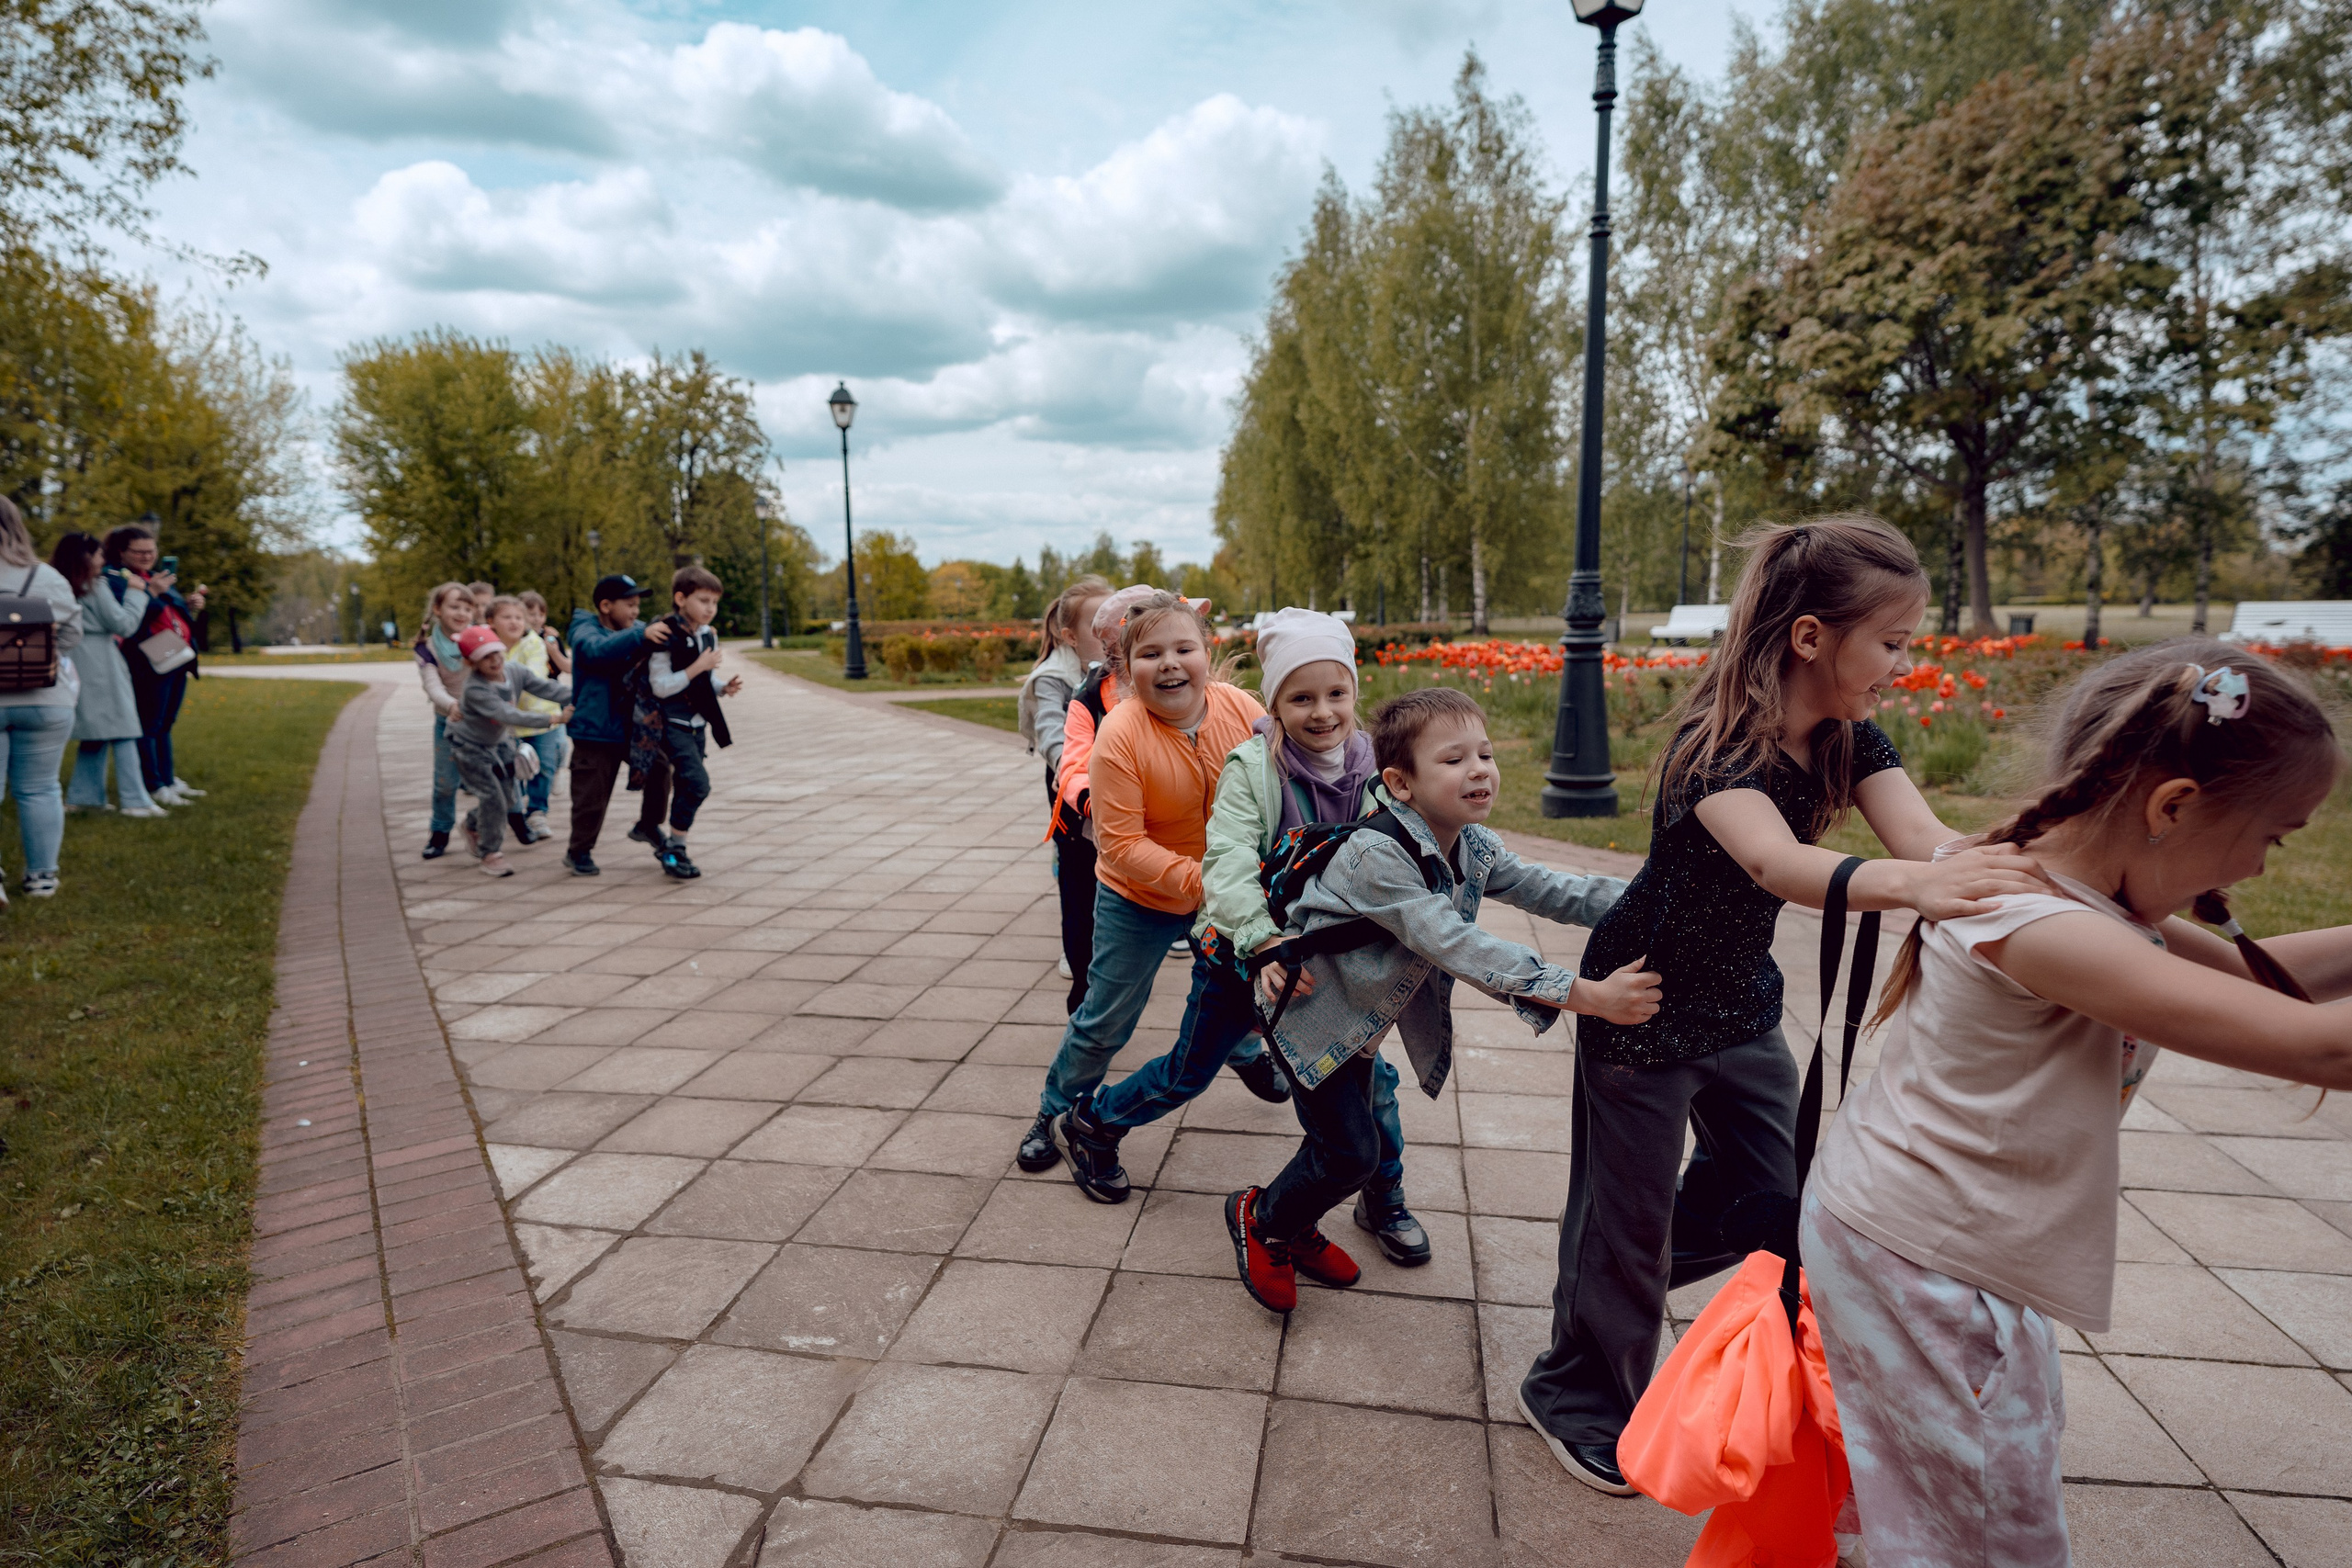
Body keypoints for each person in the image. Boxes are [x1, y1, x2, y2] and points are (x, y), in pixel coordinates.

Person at [1516, 515, 2052, 1497]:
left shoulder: (1851, 738)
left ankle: (1618, 1271)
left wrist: (2032, 857)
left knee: (1796, 1208)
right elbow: (1780, 864)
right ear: (1811, 637)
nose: (1903, 660)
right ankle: (1576, 1394)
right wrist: (1912, 889)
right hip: (1642, 1004)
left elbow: (1924, 837)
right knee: (1627, 1227)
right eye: (1890, 641)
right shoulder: (1712, 748)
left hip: (1743, 1005)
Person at [1804, 641, 2352, 1566]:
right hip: (1927, 1259)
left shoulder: (2081, 897)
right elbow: (2322, 1043)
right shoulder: (2042, 926)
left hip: (1928, 1241)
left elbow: (2275, 987)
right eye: (2273, 835)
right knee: (1988, 1530)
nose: (2262, 868)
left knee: (1959, 1499)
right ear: (2172, 806)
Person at [1224, 686, 1656, 1313]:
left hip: (1359, 1019)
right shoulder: (1375, 855)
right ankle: (1263, 1219)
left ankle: (1293, 1215)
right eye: (1454, 759)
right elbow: (1455, 943)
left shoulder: (1471, 844)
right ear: (1400, 783)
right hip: (1312, 1018)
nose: (1479, 768)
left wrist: (1658, 899)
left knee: (1345, 1138)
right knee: (1351, 1152)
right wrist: (1586, 995)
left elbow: (1551, 887)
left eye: (1485, 752)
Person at [1090, 607, 1433, 1264]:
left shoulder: (1379, 768)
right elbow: (1226, 863)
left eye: (1336, 693)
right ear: (1274, 704)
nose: (1322, 711)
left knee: (1373, 1080)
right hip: (1243, 956)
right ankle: (1095, 1121)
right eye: (1301, 697)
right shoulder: (1254, 766)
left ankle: (1382, 1195)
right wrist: (1263, 942)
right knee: (1189, 1073)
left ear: (1355, 692)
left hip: (1325, 967)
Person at [1022, 592, 1290, 1199]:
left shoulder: (1241, 710)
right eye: (1150, 653)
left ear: (1205, 651)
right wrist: (1216, 881)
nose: (1169, 663)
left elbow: (1287, 781)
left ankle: (1243, 1048)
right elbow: (1120, 847)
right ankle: (1055, 1111)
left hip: (1226, 890)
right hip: (1139, 896)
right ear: (1123, 665)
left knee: (1234, 987)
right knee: (1105, 1016)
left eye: (1182, 648)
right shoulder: (1120, 734)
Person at [1020, 576, 1114, 986]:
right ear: (1070, 636)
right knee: (1080, 879)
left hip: (1116, 777)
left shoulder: (1124, 666)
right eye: (1099, 625)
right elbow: (1051, 731)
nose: (1113, 631)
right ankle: (1082, 968)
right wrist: (1072, 771)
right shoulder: (1052, 677)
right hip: (1071, 783)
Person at [628, 565, 741, 880]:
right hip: (670, 723)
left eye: (714, 603)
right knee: (698, 784)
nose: (710, 609)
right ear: (681, 598)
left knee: (686, 786)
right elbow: (660, 686)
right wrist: (697, 667)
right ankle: (674, 847)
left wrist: (722, 687)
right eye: (703, 600)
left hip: (697, 724)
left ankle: (674, 846)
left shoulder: (707, 635)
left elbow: (706, 678)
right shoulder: (665, 633)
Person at [562, 574, 674, 877]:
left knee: (660, 769)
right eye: (630, 605)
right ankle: (579, 851)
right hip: (594, 729)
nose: (636, 612)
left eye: (638, 605)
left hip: (632, 727)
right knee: (591, 794)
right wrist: (642, 635)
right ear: (606, 606)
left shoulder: (636, 629)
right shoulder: (584, 630)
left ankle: (647, 825)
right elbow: (597, 650)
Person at [0, 500, 82, 904]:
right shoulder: (46, 576)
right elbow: (70, 637)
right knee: (40, 788)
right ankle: (42, 878)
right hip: (45, 697)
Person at [447, 624, 570, 876]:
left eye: (496, 653)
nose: (494, 661)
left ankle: (472, 823)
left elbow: (546, 688)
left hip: (499, 742)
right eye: (485, 657)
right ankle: (490, 852)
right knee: (494, 798)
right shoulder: (475, 689)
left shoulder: (513, 670)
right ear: (471, 663)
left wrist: (581, 696)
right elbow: (509, 714)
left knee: (508, 797)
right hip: (470, 748)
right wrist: (554, 719)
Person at [64, 530, 164, 819]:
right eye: (97, 554)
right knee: (124, 726)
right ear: (87, 557)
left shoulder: (66, 584)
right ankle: (136, 800)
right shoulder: (95, 585)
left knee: (95, 731)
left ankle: (84, 797)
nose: (102, 559)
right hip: (101, 659)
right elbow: (124, 624)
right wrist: (136, 591)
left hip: (78, 655)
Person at [112, 524, 206, 806]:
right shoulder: (117, 580)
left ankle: (167, 779)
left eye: (150, 551)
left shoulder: (156, 577)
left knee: (166, 723)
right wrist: (151, 593)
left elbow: (171, 615)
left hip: (176, 657)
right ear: (122, 552)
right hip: (149, 660)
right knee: (150, 725)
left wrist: (190, 606)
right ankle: (153, 785)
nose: (146, 556)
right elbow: (129, 621)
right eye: (138, 552)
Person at [485, 594, 559, 843]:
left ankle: (537, 812)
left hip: (542, 717)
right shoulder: (487, 649)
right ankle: (515, 812)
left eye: (519, 617)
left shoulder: (533, 644)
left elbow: (534, 677)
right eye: (507, 617)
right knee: (512, 771)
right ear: (491, 621)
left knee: (545, 767)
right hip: (507, 725)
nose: (514, 622)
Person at [413, 582, 476, 859]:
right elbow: (432, 685)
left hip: (483, 723)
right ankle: (439, 833)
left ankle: (497, 822)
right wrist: (451, 704)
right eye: (454, 607)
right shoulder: (426, 648)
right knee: (445, 783)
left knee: (500, 776)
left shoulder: (479, 639)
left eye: (467, 608)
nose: (461, 613)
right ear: (438, 610)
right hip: (448, 722)